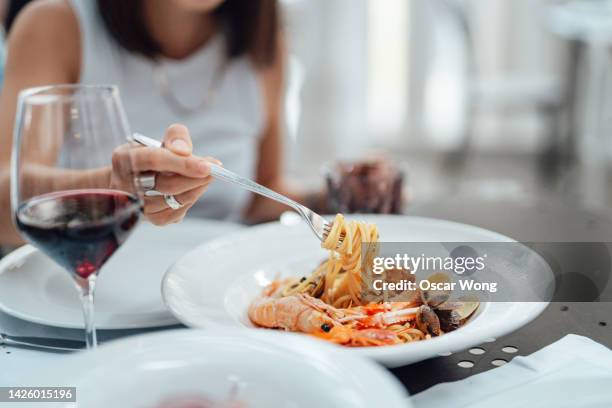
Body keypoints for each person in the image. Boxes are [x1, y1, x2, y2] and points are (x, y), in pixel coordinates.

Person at [0, 0, 312, 246]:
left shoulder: (261, 42)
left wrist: (334, 195)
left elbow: (261, 196)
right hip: (90, 303)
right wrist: (113, 189)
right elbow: (3, 203)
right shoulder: (56, 23)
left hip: (221, 301)